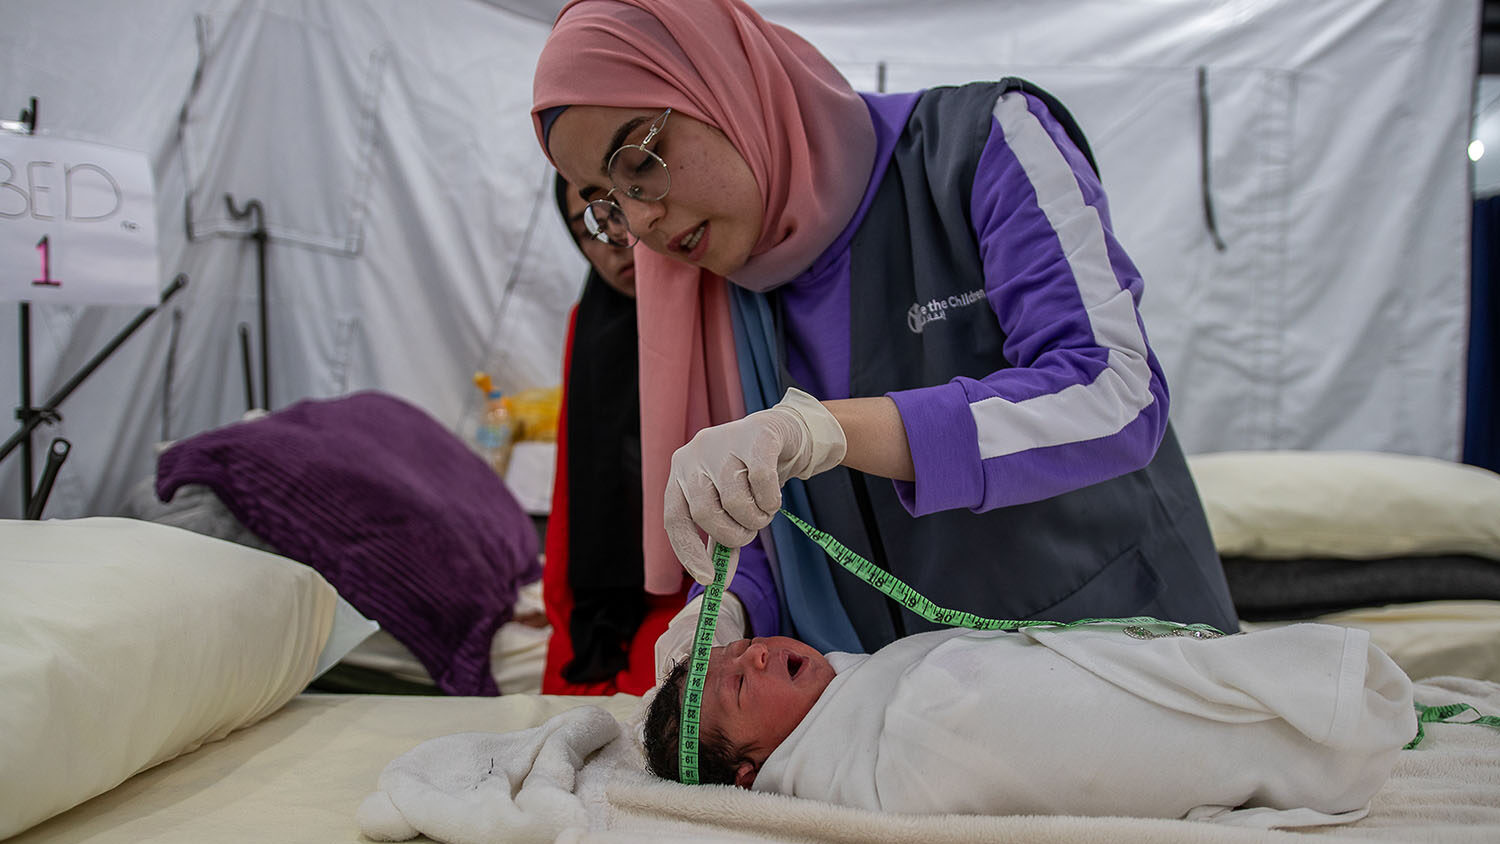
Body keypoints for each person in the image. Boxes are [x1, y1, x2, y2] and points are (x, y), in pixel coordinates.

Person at [530, 0, 1240, 673]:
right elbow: (766, 521)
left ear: (720, 84)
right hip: (912, 716)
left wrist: (830, 430)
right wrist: (729, 608)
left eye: (638, 161)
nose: (640, 222)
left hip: (1120, 657)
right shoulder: (718, 284)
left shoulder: (984, 143)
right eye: (605, 201)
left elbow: (1118, 391)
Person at [641, 624, 1417, 827]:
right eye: (740, 685)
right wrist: (947, 696)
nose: (760, 655)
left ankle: (1282, 706)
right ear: (750, 771)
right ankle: (1279, 740)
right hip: (950, 724)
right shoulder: (860, 763)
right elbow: (965, 749)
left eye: (744, 647)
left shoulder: (869, 677)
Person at [541, 172, 681, 694]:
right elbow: (573, 486)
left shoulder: (720, 298)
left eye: (620, 214)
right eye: (586, 230)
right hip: (612, 585)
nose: (614, 243)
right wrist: (558, 603)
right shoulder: (590, 323)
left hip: (708, 580)